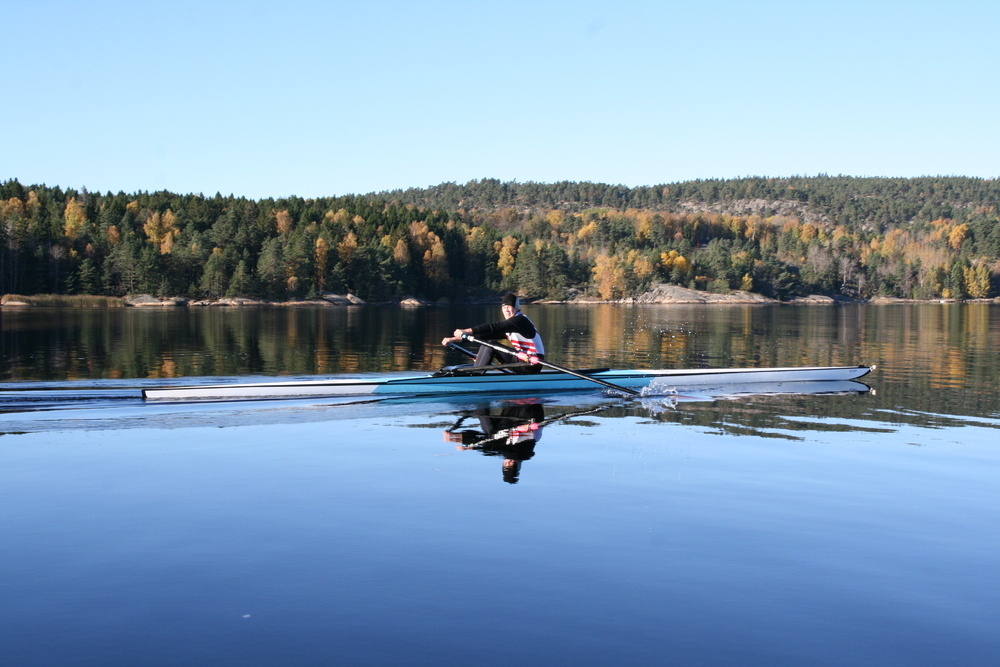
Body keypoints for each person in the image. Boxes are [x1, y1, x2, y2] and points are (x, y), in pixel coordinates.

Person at [440, 293, 545, 374]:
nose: (506, 310)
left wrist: (466, 330)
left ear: (516, 308)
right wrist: (455, 339)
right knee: (488, 342)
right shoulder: (512, 325)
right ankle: (478, 369)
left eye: (509, 307)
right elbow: (484, 335)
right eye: (504, 308)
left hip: (532, 364)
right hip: (522, 360)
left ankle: (476, 376)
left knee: (492, 344)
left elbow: (493, 327)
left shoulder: (521, 320)